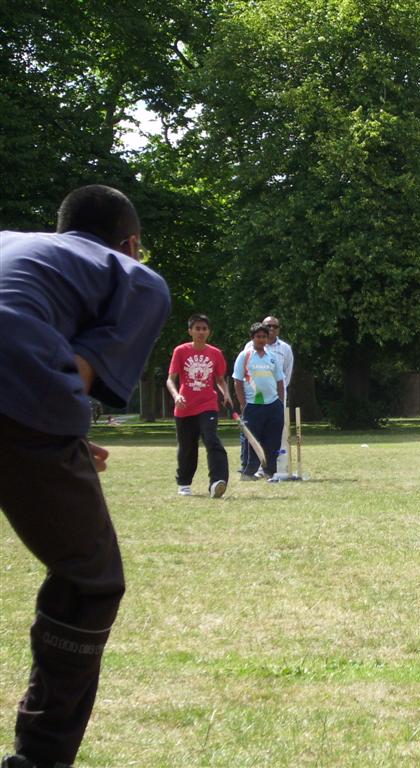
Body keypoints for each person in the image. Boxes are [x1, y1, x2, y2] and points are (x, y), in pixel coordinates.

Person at [0, 185, 170, 768]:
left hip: (22, 402)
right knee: (90, 581)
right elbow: (68, 369)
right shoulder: (131, 273)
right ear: (132, 242)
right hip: (19, 396)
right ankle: (39, 759)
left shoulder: (15, 246)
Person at [165, 314, 233, 498]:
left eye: (204, 328)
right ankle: (184, 483)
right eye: (197, 328)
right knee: (187, 446)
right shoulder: (180, 351)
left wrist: (225, 393)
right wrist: (176, 395)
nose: (201, 332)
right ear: (190, 331)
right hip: (184, 407)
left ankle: (217, 482)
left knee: (211, 438)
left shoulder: (215, 353)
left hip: (208, 405)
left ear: (209, 331)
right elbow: (170, 380)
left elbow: (220, 379)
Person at [233, 322, 286, 480]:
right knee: (252, 440)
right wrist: (243, 403)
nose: (261, 339)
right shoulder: (245, 355)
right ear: (252, 338)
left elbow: (280, 381)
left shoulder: (272, 357)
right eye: (258, 337)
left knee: (273, 440)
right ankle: (248, 472)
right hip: (253, 405)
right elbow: (237, 381)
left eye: (264, 336)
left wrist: (281, 403)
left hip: (273, 404)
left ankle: (271, 472)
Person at [242, 315, 294, 476]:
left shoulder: (285, 348)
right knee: (255, 432)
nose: (271, 329)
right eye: (268, 326)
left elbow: (286, 374)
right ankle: (255, 468)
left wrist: (279, 397)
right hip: (255, 398)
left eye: (274, 326)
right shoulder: (249, 347)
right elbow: (244, 373)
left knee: (276, 433)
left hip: (275, 399)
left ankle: (274, 468)